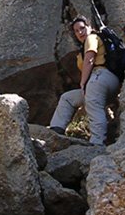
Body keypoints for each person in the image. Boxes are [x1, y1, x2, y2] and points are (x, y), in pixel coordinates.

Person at [49, 15, 121, 146]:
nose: (80, 32)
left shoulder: (92, 38)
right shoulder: (85, 45)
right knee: (68, 98)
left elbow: (90, 59)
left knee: (93, 104)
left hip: (101, 76)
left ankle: (97, 143)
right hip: (105, 83)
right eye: (76, 31)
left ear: (90, 27)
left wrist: (83, 82)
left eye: (82, 28)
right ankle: (56, 131)